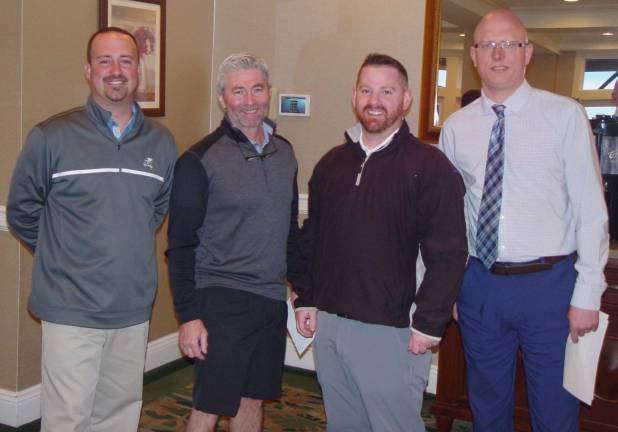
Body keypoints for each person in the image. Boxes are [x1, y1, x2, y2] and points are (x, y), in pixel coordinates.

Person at [439, 10, 609, 432]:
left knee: (554, 409)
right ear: (474, 56)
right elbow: (450, 216)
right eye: (486, 46)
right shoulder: (457, 127)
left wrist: (588, 291)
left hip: (549, 287)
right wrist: (452, 285)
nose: (498, 54)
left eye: (509, 44)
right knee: (487, 404)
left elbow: (590, 207)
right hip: (481, 284)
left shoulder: (564, 115)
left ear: (527, 53)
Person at [7, 27, 177, 432]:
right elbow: (22, 211)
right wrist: (63, 254)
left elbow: (153, 212)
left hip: (132, 307)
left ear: (139, 69)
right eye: (105, 61)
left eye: (126, 60)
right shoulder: (51, 136)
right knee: (68, 420)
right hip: (70, 308)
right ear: (88, 70)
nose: (116, 70)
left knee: (118, 415)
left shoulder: (162, 142)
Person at [290, 53, 468, 432]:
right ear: (354, 96)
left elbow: (449, 253)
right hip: (332, 325)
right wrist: (305, 296)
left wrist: (428, 323)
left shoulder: (430, 166)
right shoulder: (332, 164)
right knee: (344, 424)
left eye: (387, 91)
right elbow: (313, 238)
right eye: (367, 90)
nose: (375, 100)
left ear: (405, 99)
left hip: (393, 331)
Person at [166, 53, 299, 432]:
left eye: (257, 89)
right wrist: (189, 315)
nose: (249, 100)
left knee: (253, 399)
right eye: (238, 91)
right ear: (223, 98)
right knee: (209, 405)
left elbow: (288, 229)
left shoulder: (285, 152)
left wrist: (302, 291)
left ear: (269, 92)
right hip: (221, 299)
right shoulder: (200, 158)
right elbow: (180, 245)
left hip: (270, 299)